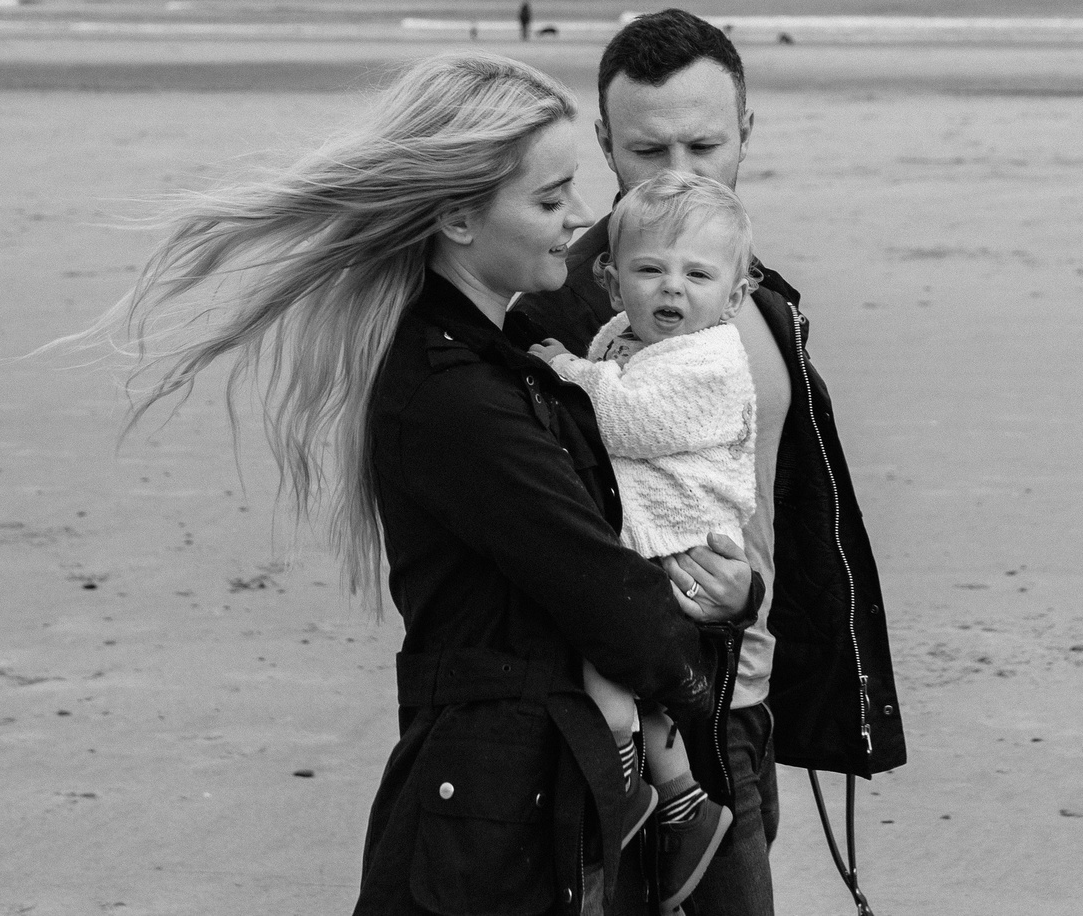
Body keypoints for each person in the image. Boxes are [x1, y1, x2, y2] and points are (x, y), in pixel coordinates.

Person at [68, 53, 759, 915]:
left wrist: (732, 591)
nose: (581, 216)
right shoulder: (454, 393)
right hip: (490, 829)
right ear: (459, 217)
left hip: (533, 797)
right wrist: (703, 654)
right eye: (549, 199)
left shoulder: (503, 361)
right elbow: (603, 591)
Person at [513, 9, 905, 916]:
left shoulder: (754, 296)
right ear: (606, 141)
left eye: (705, 143)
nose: (680, 173)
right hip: (635, 705)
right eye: (651, 151)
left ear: (747, 133)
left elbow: (779, 503)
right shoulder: (562, 310)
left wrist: (756, 604)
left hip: (746, 693)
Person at [547, 172, 767, 909]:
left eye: (697, 274)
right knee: (643, 694)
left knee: (607, 656)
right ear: (613, 281)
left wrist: (562, 370)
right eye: (650, 269)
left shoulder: (711, 360)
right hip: (658, 541)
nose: (672, 287)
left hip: (681, 546)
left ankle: (624, 781)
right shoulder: (628, 335)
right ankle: (676, 799)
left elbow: (624, 416)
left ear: (734, 295)